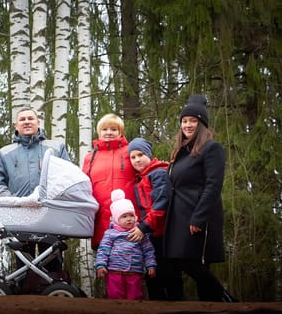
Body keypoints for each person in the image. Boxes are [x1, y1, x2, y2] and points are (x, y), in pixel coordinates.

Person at [164, 94, 235, 302]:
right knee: (179, 262)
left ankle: (226, 301)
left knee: (193, 262)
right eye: (184, 121)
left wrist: (199, 218)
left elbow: (213, 185)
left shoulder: (212, 148)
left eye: (193, 121)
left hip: (198, 215)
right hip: (179, 216)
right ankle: (204, 309)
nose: (187, 125)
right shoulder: (181, 153)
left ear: (202, 123)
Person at [0, 107, 70, 272]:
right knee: (24, 261)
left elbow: (67, 176)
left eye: (30, 118)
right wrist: (11, 200)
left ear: (38, 122)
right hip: (20, 213)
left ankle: (55, 292)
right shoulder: (5, 153)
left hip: (50, 212)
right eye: (22, 119)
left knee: (52, 257)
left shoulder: (56, 147)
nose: (27, 122)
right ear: (15, 125)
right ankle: (24, 293)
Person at [126, 137, 173, 300]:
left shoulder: (158, 173)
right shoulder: (141, 178)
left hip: (163, 233)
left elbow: (161, 204)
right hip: (151, 234)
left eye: (140, 155)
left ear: (148, 154)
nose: (137, 160)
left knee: (168, 275)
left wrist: (143, 227)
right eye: (133, 157)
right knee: (153, 275)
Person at [82, 113, 137, 251]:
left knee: (133, 263)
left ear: (120, 132)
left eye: (114, 129)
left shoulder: (131, 152)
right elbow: (84, 187)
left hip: (130, 220)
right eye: (105, 129)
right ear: (99, 132)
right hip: (101, 219)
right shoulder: (90, 157)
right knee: (104, 263)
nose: (109, 133)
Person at [95, 189, 156, 300]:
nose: (129, 219)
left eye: (131, 215)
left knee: (135, 297)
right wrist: (101, 265)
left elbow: (148, 250)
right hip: (114, 271)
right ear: (116, 219)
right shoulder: (110, 233)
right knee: (114, 296)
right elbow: (103, 250)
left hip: (134, 272)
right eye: (124, 216)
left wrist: (150, 265)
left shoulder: (139, 232)